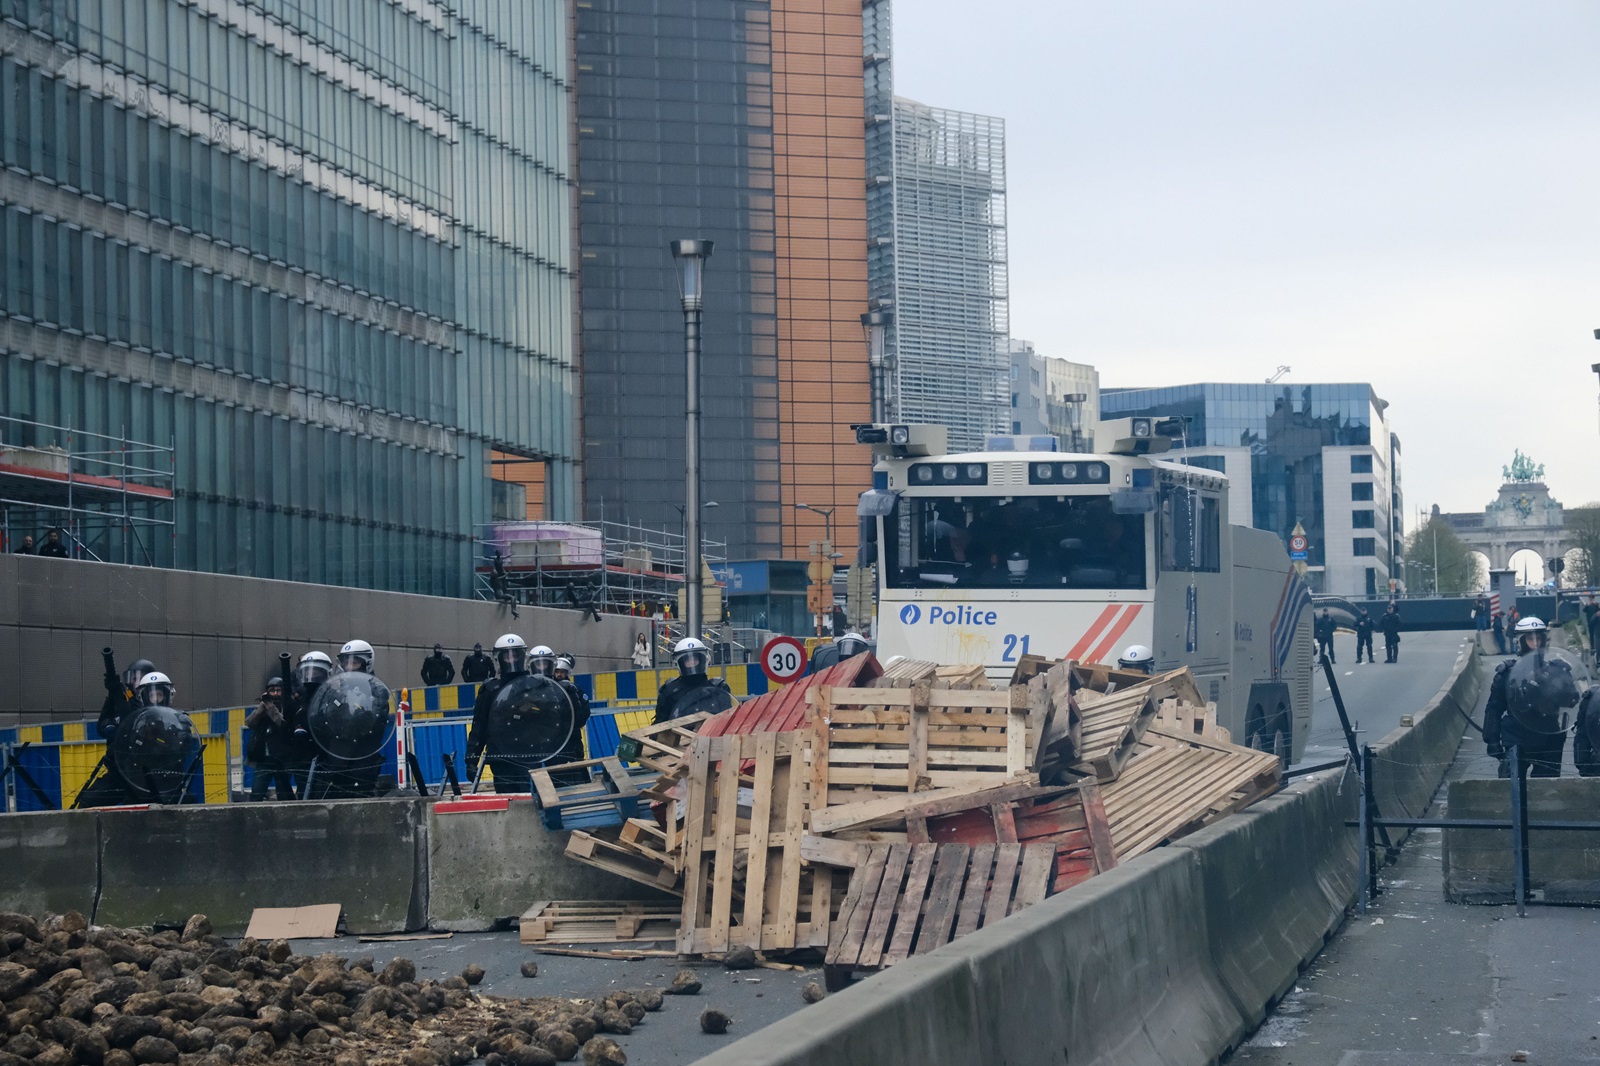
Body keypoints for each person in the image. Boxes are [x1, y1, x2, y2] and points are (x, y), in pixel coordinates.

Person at [1484, 617, 1574, 778]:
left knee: (1547, 791)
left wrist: (1563, 685)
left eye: (1539, 638)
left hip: (1548, 737)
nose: (1535, 643)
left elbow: (1571, 700)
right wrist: (1492, 739)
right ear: (1521, 641)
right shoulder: (1508, 673)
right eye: (1530, 639)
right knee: (1510, 786)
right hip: (1517, 737)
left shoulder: (1555, 670)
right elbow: (1494, 707)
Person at [653, 637, 732, 725]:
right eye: (688, 660)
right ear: (679, 663)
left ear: (704, 659)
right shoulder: (670, 692)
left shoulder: (719, 688)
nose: (692, 663)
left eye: (695, 659)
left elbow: (730, 720)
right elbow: (658, 728)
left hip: (714, 736)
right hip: (680, 737)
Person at [246, 677, 296, 801]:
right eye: (272, 691)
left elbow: (283, 724)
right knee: (257, 792)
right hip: (263, 758)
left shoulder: (288, 706)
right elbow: (249, 723)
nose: (275, 694)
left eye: (278, 690)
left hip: (283, 758)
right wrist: (261, 708)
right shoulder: (263, 707)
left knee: (284, 793)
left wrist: (271, 707)